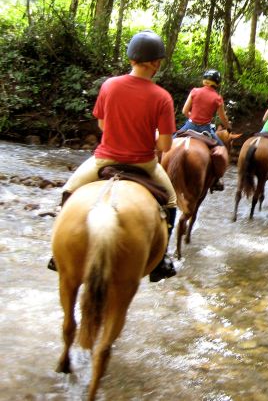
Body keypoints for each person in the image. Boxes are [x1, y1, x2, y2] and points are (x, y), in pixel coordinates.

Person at [49, 30, 178, 283]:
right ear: (156, 62)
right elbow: (165, 144)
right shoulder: (162, 97)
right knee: (172, 202)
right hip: (145, 164)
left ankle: (57, 253)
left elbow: (102, 125)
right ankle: (161, 260)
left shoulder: (109, 85)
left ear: (131, 59)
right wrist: (147, 135)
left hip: (103, 160)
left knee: (68, 191)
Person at [176, 68, 231, 191]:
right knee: (222, 150)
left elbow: (184, 111)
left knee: (171, 142)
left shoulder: (194, 91)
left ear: (204, 80)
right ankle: (217, 179)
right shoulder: (217, 98)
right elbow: (223, 118)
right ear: (217, 83)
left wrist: (193, 118)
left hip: (189, 126)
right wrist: (228, 127)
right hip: (206, 130)